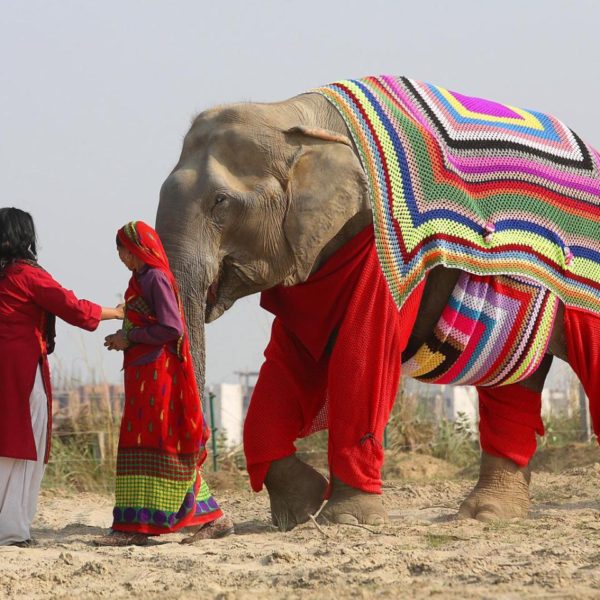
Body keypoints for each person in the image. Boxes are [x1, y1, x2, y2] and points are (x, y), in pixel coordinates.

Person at [96, 220, 233, 546]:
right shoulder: (141, 279)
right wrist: (125, 338)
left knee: (162, 445)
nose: (121, 257)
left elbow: (173, 328)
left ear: (139, 249)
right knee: (148, 446)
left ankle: (137, 528)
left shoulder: (156, 277)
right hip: (143, 375)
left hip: (158, 376)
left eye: (124, 250)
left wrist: (130, 338)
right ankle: (147, 524)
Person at [0, 207, 123, 546]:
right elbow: (71, 306)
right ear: (25, 236)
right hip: (20, 368)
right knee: (24, 443)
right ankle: (11, 530)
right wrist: (116, 312)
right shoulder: (26, 274)